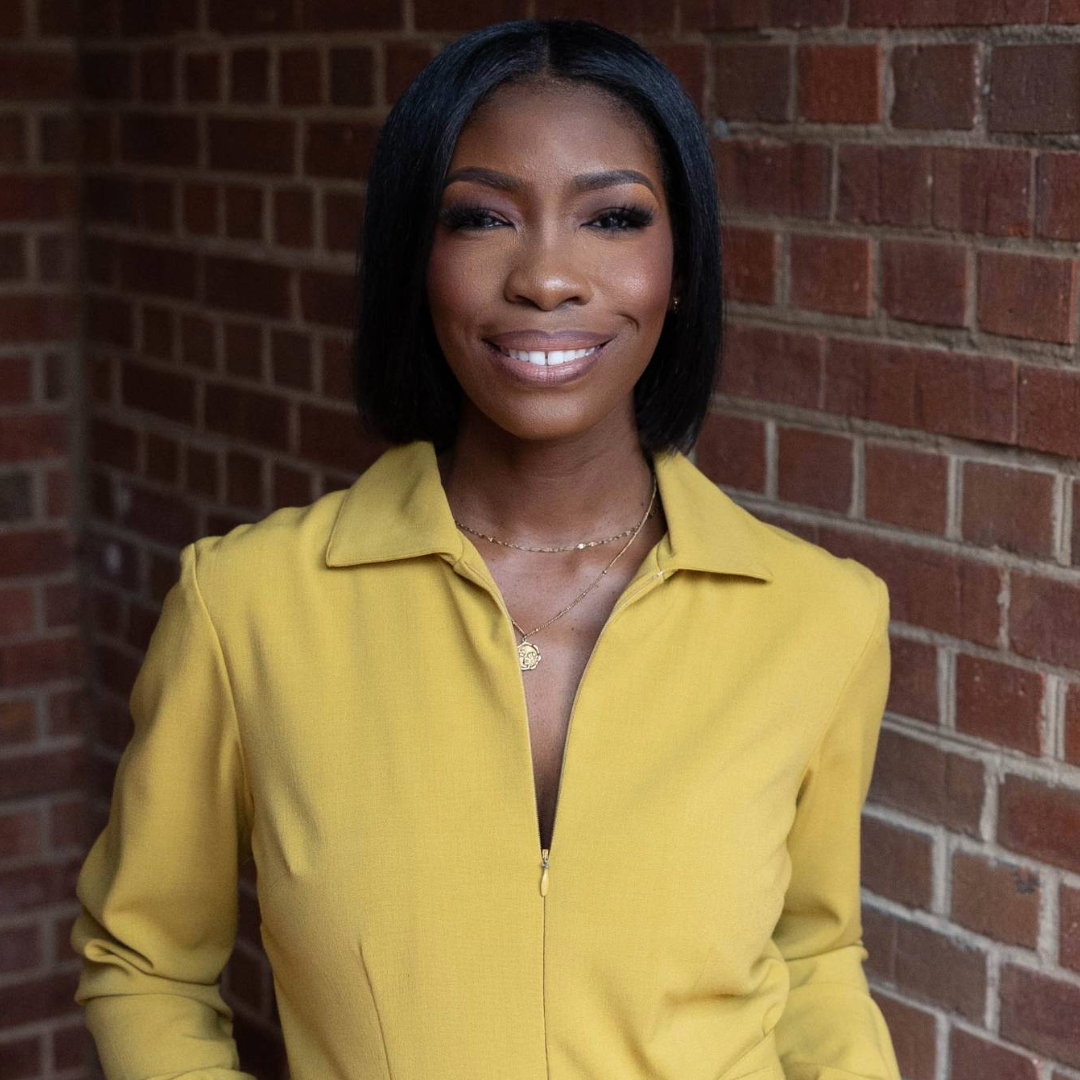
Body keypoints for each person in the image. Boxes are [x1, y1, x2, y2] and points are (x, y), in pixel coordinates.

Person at [70, 17, 902, 1080]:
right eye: (481, 218)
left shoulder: (820, 617)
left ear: (681, 268)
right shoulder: (247, 607)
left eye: (612, 217)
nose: (547, 278)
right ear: (418, 261)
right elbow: (145, 965)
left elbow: (814, 957)